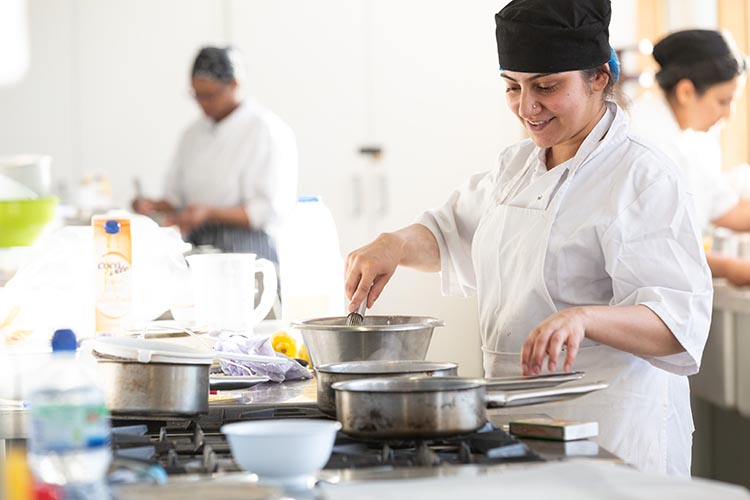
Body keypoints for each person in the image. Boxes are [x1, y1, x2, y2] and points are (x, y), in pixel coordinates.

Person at [344, 0, 712, 477]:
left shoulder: (642, 175)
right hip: (514, 424)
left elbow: (676, 324)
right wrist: (393, 244)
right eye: (512, 87)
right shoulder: (515, 166)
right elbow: (449, 232)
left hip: (611, 431)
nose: (526, 107)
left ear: (599, 77)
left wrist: (584, 319)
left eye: (546, 87)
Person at [133, 46, 297, 264]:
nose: (203, 104)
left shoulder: (265, 129)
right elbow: (177, 198)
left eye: (210, 95)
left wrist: (209, 213)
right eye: (197, 95)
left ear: (235, 84)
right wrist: (152, 206)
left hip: (250, 252)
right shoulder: (192, 134)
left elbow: (269, 210)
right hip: (198, 248)